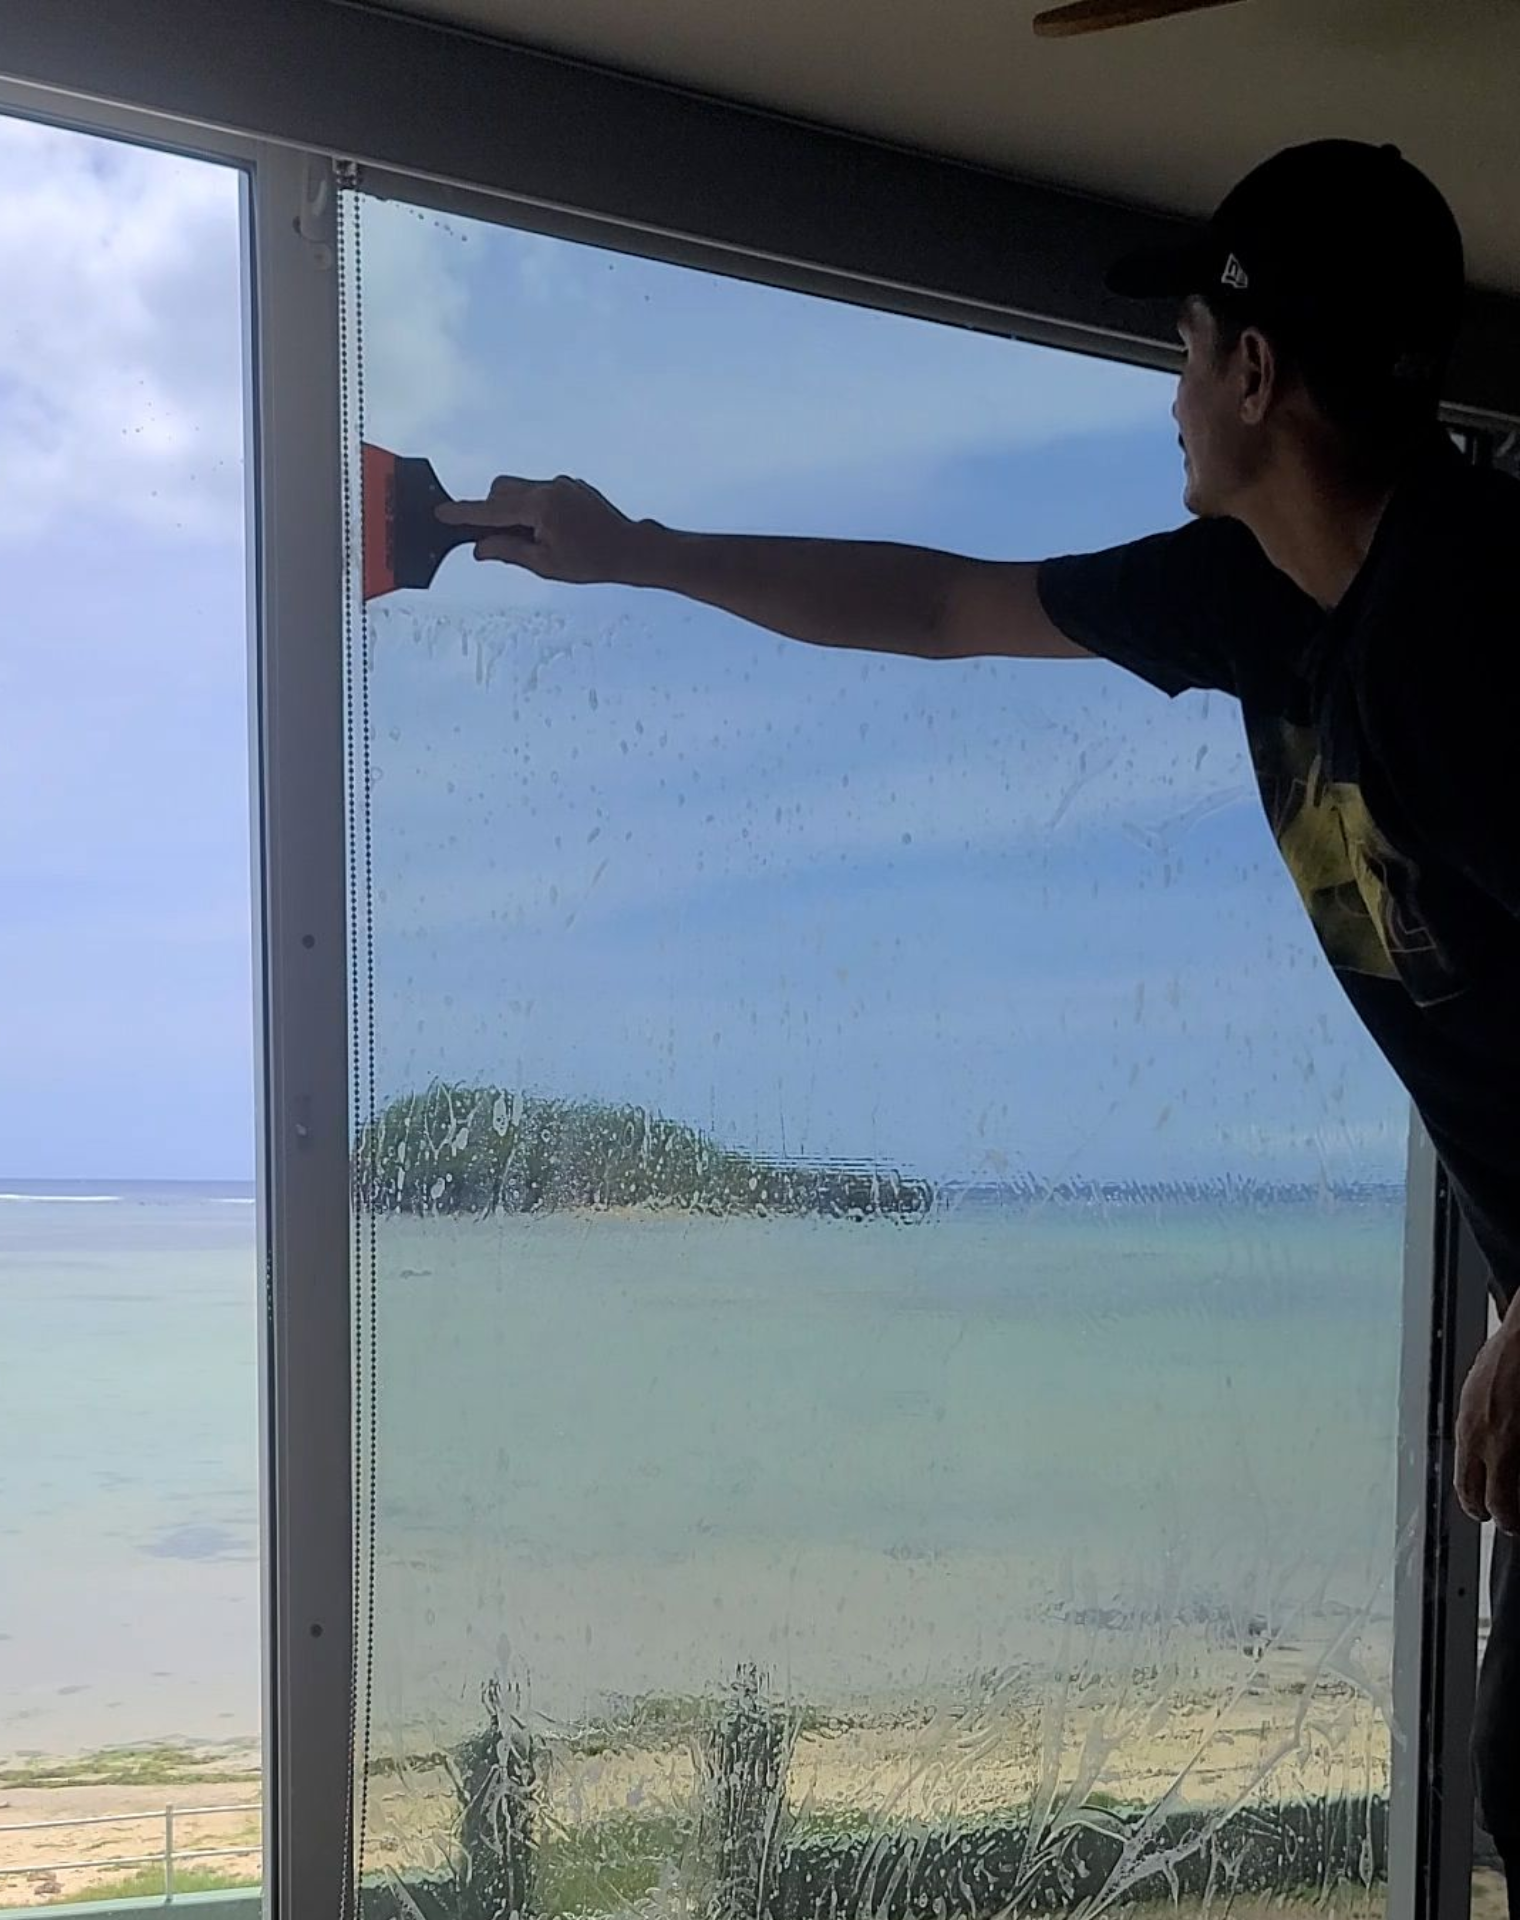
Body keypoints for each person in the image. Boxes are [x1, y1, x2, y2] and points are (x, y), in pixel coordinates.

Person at [438, 139, 1520, 1896]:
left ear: (1255, 372)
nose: (1170, 400)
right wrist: (638, 552)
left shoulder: (1469, 627)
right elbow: (941, 606)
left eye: (1182, 353)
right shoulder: (1258, 593)